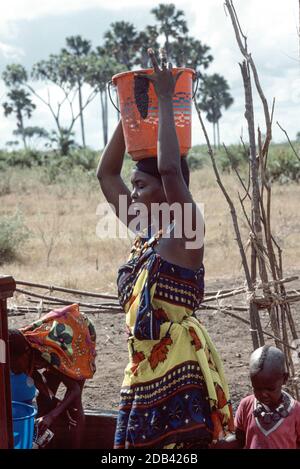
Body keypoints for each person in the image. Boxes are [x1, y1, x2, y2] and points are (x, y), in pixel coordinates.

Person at [97, 48, 233, 449]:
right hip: (140, 378)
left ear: (168, 192)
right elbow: (106, 175)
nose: (132, 193)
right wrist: (131, 114)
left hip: (179, 382)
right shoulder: (147, 233)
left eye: (141, 185)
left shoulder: (188, 232)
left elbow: (172, 169)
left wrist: (169, 101)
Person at [8, 303, 96, 448]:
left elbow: (74, 390)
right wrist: (58, 405)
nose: (14, 369)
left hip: (78, 334)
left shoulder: (46, 355)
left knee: (74, 404)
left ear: (25, 354)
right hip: (58, 343)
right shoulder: (20, 353)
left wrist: (53, 415)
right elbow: (43, 388)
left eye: (15, 365)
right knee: (45, 401)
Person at [213, 345, 300, 449]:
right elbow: (240, 439)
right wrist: (223, 444)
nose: (263, 394)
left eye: (270, 389)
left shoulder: (296, 411)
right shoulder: (246, 405)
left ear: (284, 378)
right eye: (257, 388)